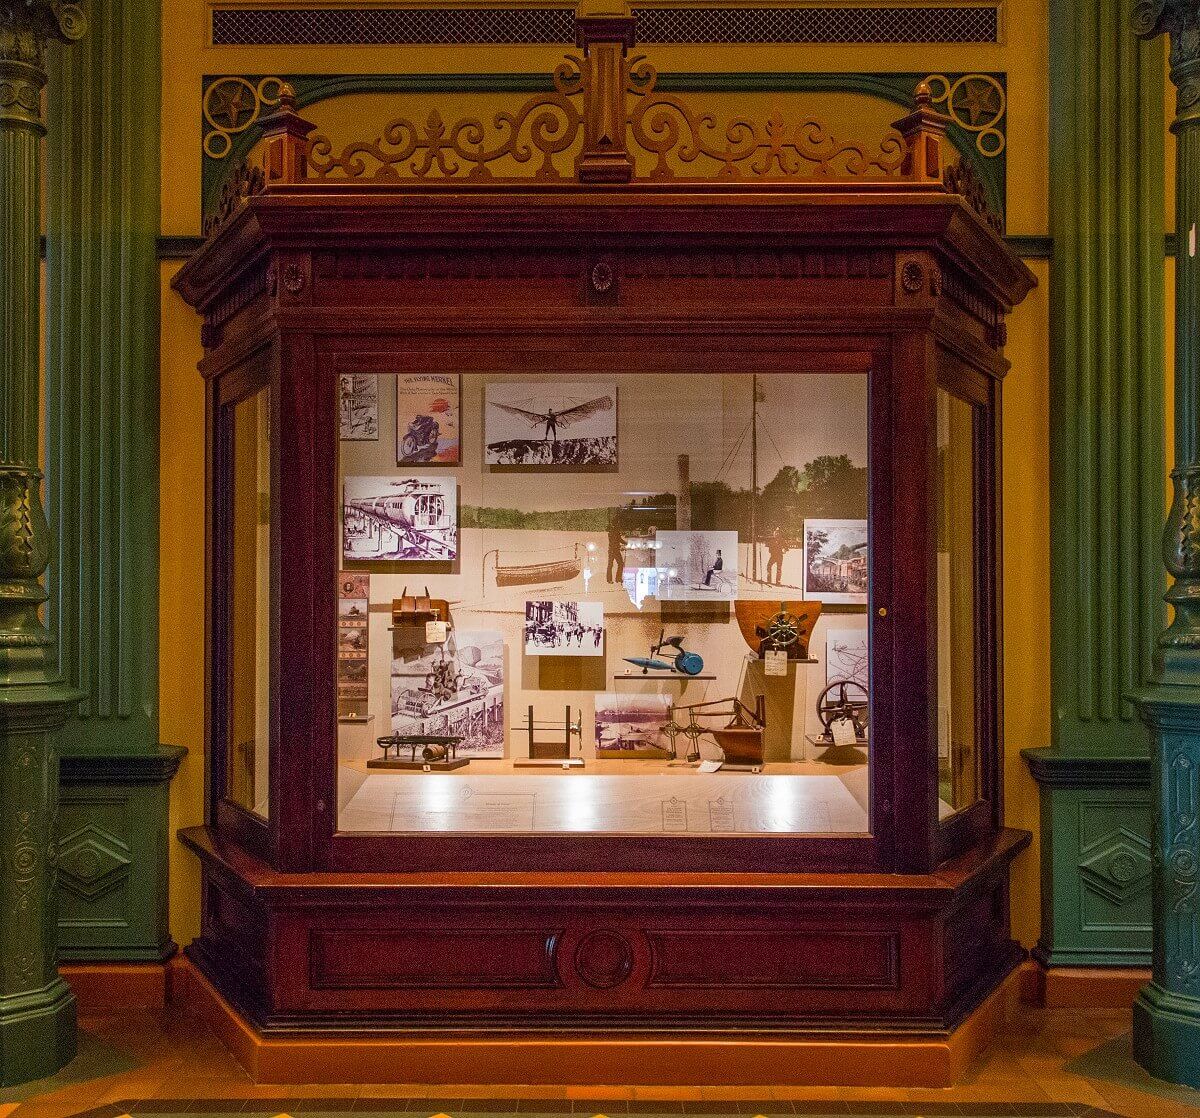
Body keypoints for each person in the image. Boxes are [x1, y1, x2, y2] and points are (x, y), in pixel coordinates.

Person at [606, 517, 627, 584]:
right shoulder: (615, 530)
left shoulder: (612, 530)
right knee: (619, 564)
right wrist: (625, 543)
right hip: (614, 550)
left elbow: (617, 539)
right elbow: (618, 539)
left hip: (612, 550)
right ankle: (617, 578)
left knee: (611, 565)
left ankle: (611, 579)